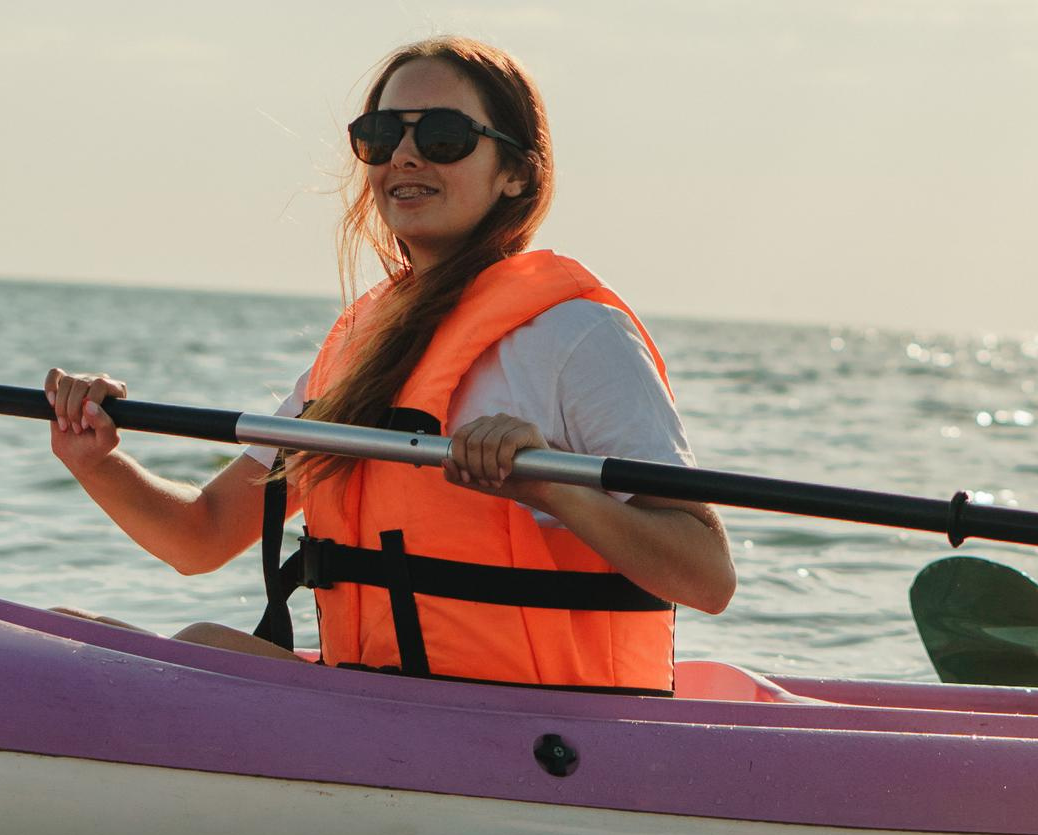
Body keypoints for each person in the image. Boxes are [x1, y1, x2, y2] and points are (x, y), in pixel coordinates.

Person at [44, 35, 733, 694]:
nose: (403, 155)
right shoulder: (359, 347)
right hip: (384, 709)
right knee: (76, 632)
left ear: (518, 171)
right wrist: (93, 457)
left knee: (197, 647)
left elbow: (707, 574)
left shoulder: (577, 334)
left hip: (540, 731)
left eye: (442, 137)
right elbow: (201, 534)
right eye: (380, 135)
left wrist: (552, 485)